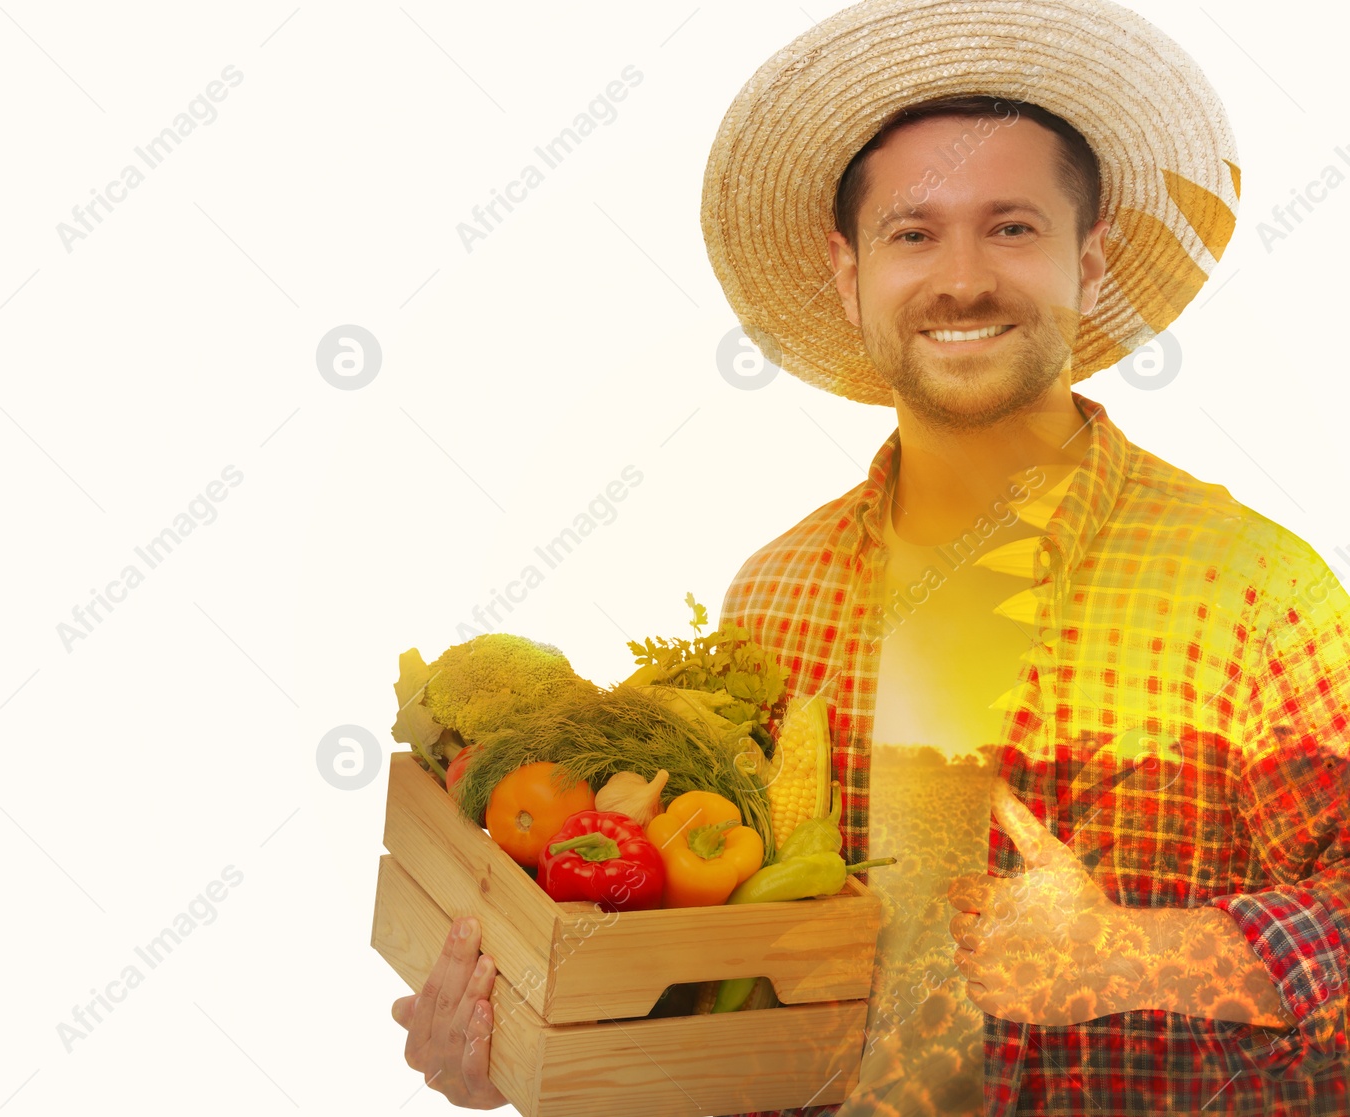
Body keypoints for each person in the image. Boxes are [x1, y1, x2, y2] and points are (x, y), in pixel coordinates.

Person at [393, 0, 1350, 1111]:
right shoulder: (775, 599)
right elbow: (733, 987)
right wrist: (516, 1044)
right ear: (848, 275)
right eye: (912, 232)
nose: (960, 278)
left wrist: (1131, 954)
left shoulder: (1252, 594)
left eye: (1011, 227)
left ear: (1092, 262)